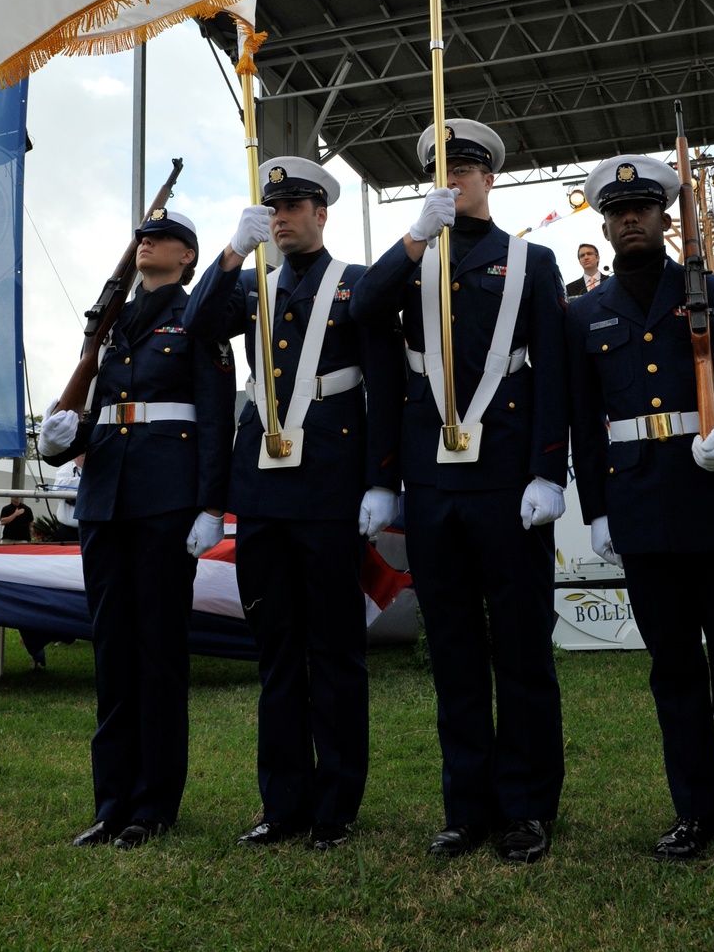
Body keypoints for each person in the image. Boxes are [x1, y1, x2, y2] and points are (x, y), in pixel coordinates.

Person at [350, 120, 568, 864]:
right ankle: (465, 807)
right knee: (453, 651)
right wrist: (414, 237)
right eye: (441, 170)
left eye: (465, 167)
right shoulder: (414, 260)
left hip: (507, 478)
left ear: (489, 178)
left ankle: (528, 807)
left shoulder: (532, 261)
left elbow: (551, 373)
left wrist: (549, 469)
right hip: (432, 479)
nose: (453, 179)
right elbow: (363, 310)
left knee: (521, 647)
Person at [184, 157, 404, 853]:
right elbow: (196, 323)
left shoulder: (359, 282)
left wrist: (382, 480)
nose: (279, 218)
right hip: (263, 489)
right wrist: (229, 252)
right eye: (271, 209)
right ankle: (282, 803)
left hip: (332, 486)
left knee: (334, 650)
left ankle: (335, 805)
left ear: (321, 213)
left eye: (292, 207)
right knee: (277, 651)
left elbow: (386, 384)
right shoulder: (253, 284)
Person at [565, 155, 714, 868]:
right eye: (617, 211)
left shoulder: (712, 291)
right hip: (642, 506)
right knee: (676, 670)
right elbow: (583, 421)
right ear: (604, 224)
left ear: (664, 218)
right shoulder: (584, 313)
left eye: (643, 208)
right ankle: (694, 812)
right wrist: (597, 510)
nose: (630, 218)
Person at [38, 208, 235, 850]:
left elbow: (214, 419)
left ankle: (153, 806)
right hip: (105, 500)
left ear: (187, 256)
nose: (147, 242)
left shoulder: (197, 316)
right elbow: (100, 411)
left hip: (165, 500)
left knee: (158, 651)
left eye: (162, 237)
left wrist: (211, 505)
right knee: (113, 652)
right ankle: (111, 803)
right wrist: (63, 439)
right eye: (143, 236)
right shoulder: (112, 323)